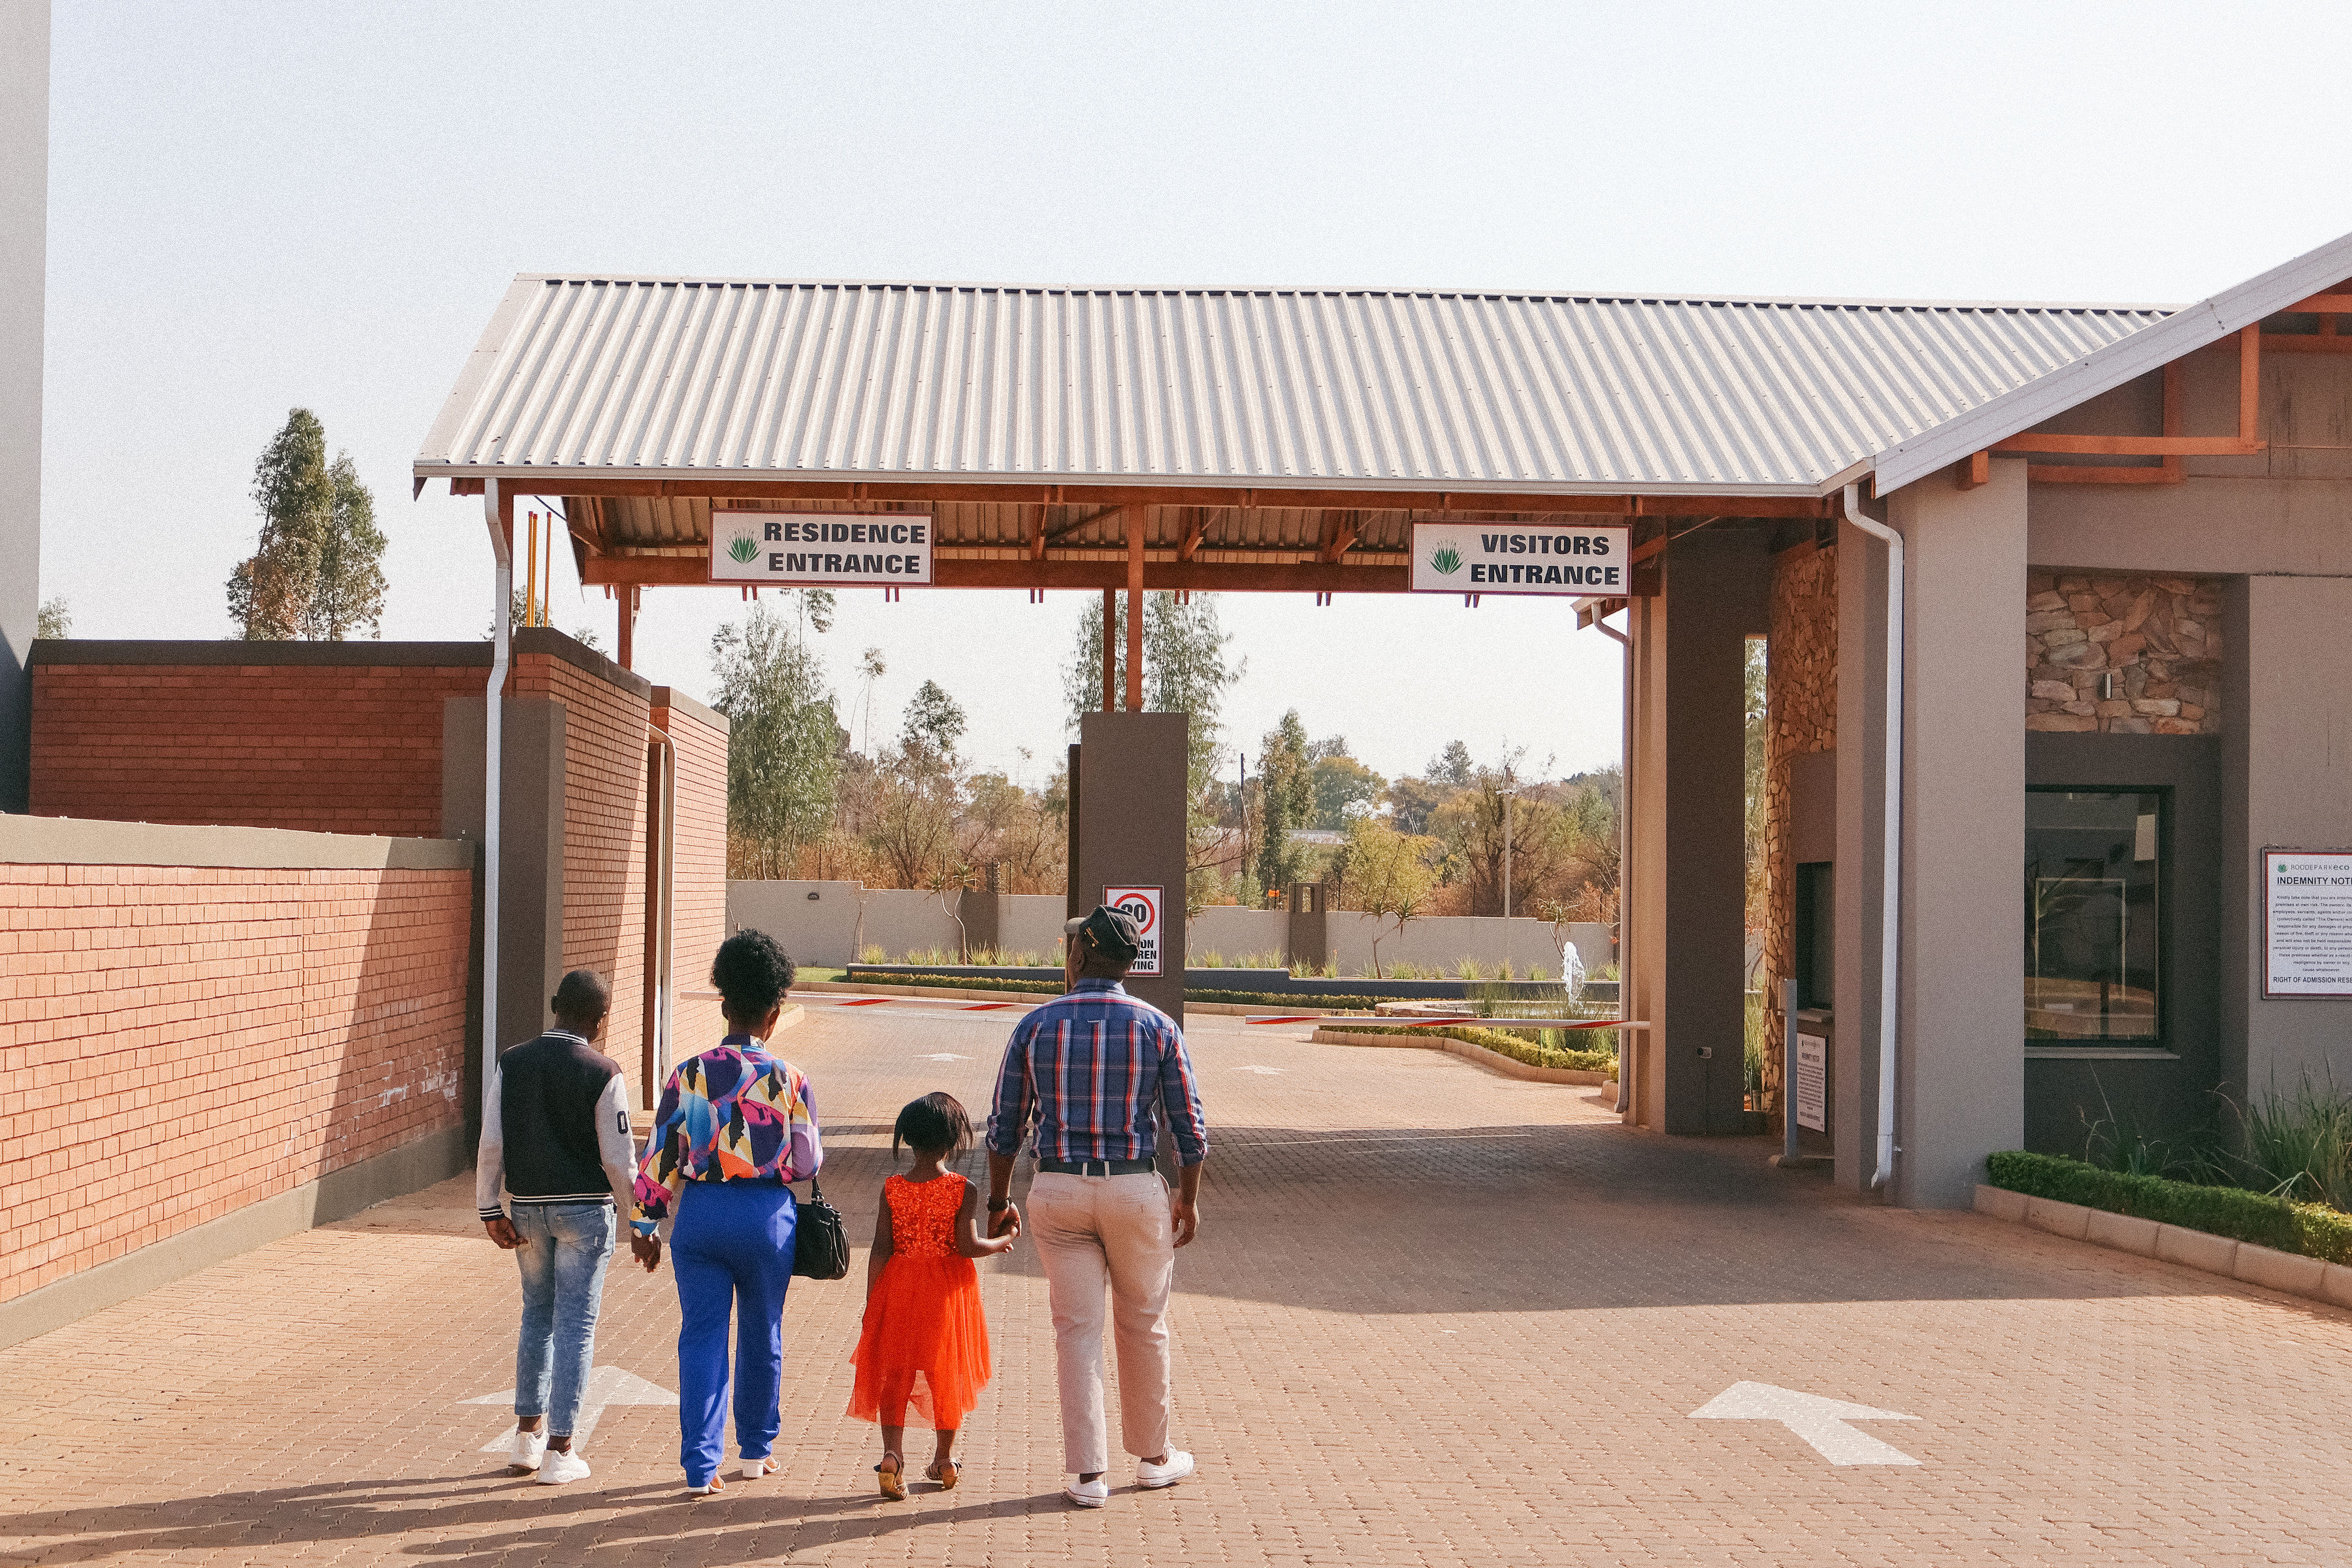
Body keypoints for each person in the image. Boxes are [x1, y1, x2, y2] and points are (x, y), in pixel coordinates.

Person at [985, 905, 1210, 1509]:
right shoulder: (1159, 1027)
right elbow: (1189, 1129)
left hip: (1058, 1191)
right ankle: (1154, 1459)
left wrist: (999, 1199)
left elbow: (1005, 1126)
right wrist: (1186, 1200)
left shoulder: (1035, 1025)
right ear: (1129, 963)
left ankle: (1087, 1475)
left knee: (1075, 1330)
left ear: (1079, 956)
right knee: (1143, 1322)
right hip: (1135, 1190)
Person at [630, 930, 822, 1497]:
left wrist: (645, 1223)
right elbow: (807, 1161)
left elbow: (660, 1154)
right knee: (763, 1333)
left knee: (702, 1337)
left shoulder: (687, 1074)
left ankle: (699, 1467)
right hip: (767, 1220)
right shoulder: (791, 1079)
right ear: (774, 1011)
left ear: (723, 1005)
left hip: (702, 1218)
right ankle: (756, 1454)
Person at [475, 968, 637, 1486]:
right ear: (600, 1018)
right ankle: (562, 1451)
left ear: (553, 1005)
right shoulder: (604, 1070)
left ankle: (527, 1438)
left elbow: (492, 1141)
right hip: (586, 1213)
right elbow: (618, 1159)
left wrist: (489, 1207)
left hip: (524, 1209)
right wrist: (641, 1221)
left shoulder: (512, 1062)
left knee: (536, 1315)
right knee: (577, 1326)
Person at [849, 1092, 1017, 1499]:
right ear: (952, 1140)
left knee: (896, 1374)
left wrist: (875, 1299)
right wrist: (1005, 1240)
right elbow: (966, 1246)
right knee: (948, 1372)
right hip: (946, 1291)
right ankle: (944, 1460)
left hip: (900, 1286)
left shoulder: (893, 1187)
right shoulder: (964, 1189)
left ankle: (892, 1455)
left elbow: (880, 1247)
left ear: (908, 1139)